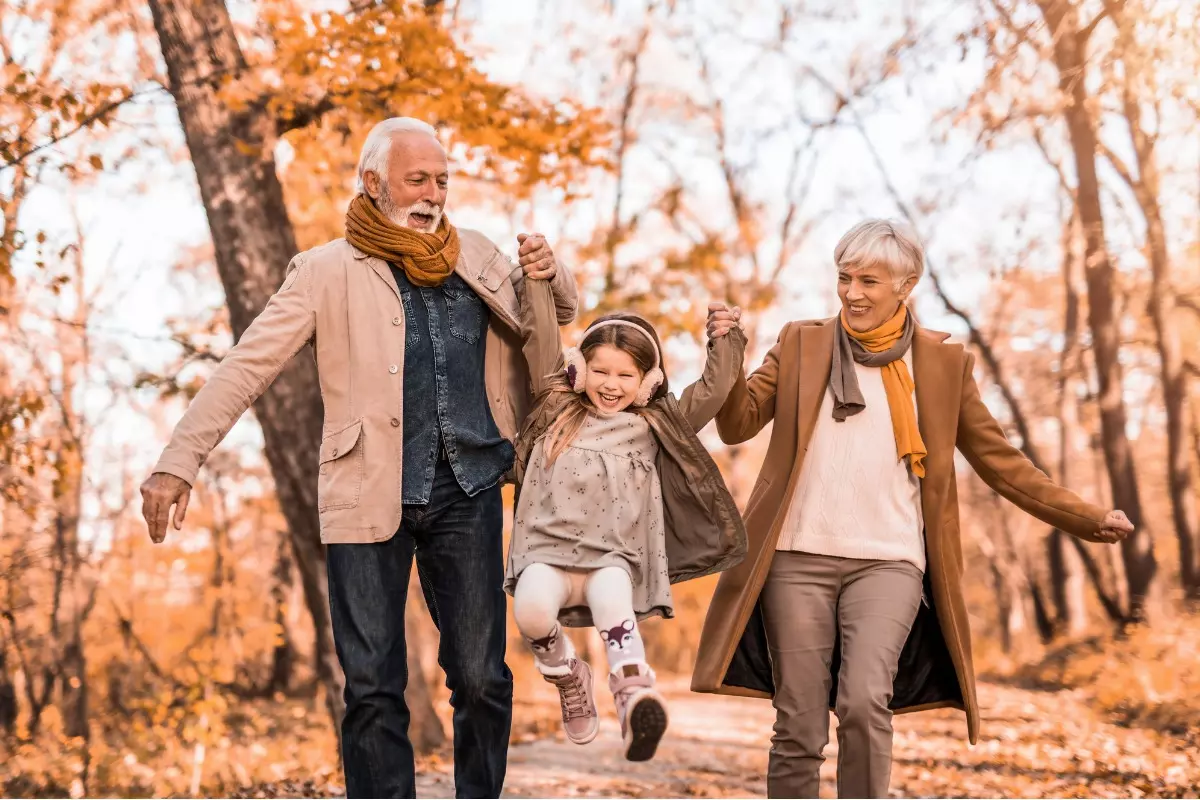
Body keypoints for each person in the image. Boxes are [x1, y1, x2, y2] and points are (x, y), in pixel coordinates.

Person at [138, 117, 578, 799]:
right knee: (373, 687)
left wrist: (555, 272)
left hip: (470, 486)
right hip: (366, 491)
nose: (434, 193)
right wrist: (178, 460)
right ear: (373, 184)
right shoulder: (324, 272)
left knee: (483, 678)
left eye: (441, 179)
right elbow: (246, 366)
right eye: (418, 179)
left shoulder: (481, 254)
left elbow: (555, 311)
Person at [691, 218, 1134, 798]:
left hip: (890, 562)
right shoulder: (802, 342)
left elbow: (1002, 462)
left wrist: (1084, 515)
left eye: (869, 281)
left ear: (907, 285)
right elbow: (737, 422)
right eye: (844, 277)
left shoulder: (942, 366)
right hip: (796, 556)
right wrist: (726, 351)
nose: (852, 292)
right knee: (798, 719)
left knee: (863, 701)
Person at [505, 274, 748, 761]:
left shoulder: (653, 426)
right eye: (601, 371)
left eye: (625, 376)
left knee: (616, 610)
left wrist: (726, 338)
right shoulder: (555, 408)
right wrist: (537, 278)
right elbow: (540, 339)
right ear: (578, 369)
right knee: (530, 611)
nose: (611, 385)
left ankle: (634, 696)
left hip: (611, 559)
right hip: (545, 555)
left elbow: (713, 391)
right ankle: (568, 674)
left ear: (648, 383)